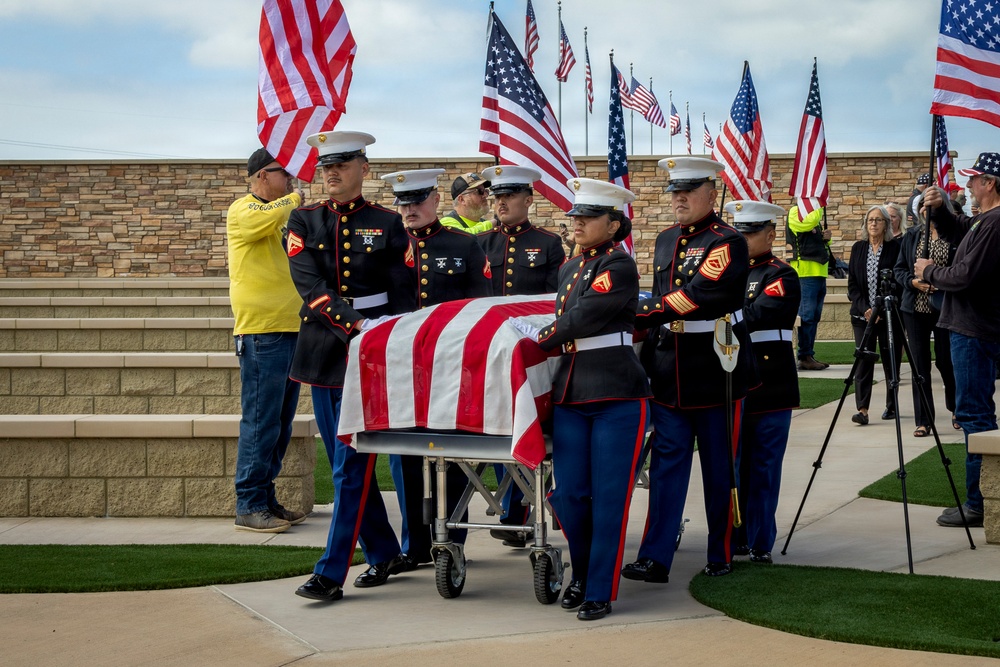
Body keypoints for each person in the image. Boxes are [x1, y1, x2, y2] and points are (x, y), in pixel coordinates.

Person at [514, 178, 650, 621]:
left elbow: (583, 317)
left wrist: (539, 339)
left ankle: (598, 588)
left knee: (609, 496)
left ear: (613, 225)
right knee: (569, 494)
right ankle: (581, 574)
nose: (577, 223)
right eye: (575, 216)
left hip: (615, 392)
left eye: (588, 217)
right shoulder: (570, 268)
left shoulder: (619, 266)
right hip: (572, 391)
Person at [292, 130, 416, 603]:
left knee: (349, 466)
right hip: (325, 352)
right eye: (326, 166)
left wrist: (386, 339)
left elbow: (404, 293)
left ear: (364, 167)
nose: (332, 173)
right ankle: (382, 552)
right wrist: (356, 324)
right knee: (347, 465)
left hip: (374, 353)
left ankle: (330, 572)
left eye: (342, 164)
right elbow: (310, 286)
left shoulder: (388, 223)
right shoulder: (302, 221)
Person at [621, 157, 754, 581]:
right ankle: (655, 557)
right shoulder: (664, 239)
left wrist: (643, 312)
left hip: (715, 367)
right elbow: (665, 295)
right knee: (665, 469)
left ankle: (723, 551)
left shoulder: (727, 241)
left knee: (719, 469)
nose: (678, 197)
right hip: (669, 367)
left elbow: (697, 295)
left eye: (688, 190)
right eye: (674, 190)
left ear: (711, 194)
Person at [380, 167, 494, 568]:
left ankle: (453, 541)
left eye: (416, 202)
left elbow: (481, 308)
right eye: (403, 203)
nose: (409, 210)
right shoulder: (389, 248)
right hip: (402, 368)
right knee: (405, 456)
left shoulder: (464, 245)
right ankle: (414, 547)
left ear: (435, 201)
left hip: (449, 368)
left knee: (453, 456)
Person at [476, 164, 565, 546]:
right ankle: (515, 507)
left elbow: (553, 302)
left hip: (531, 349)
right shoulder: (481, 244)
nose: (501, 203)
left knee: (531, 425)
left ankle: (521, 508)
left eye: (509, 196)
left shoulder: (547, 244)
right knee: (497, 425)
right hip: (492, 349)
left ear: (528, 200)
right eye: (496, 197)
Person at [915, 151, 1000, 529]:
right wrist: (943, 210)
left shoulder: (995, 223)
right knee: (976, 414)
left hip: (974, 330)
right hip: (974, 328)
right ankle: (980, 498)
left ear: (990, 183)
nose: (968, 185)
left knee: (975, 417)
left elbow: (964, 275)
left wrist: (930, 270)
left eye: (974, 179)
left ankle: (978, 502)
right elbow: (962, 228)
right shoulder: (986, 221)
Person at [228, 147, 306, 533]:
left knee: (280, 423)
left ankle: (265, 497)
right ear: (262, 176)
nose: (290, 180)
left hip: (290, 328)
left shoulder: (279, 215)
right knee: (260, 421)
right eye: (284, 173)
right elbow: (268, 216)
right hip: (261, 332)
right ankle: (249, 503)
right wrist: (295, 199)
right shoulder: (244, 209)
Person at [725, 200, 800, 565]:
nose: (743, 238)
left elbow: (756, 315)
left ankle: (759, 539)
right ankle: (735, 533)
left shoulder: (781, 275)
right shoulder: (728, 274)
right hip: (733, 381)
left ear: (770, 234)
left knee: (764, 466)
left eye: (751, 232)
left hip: (770, 385)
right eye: (739, 231)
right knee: (734, 465)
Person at [893, 197, 961, 438]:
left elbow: (960, 270)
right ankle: (924, 420)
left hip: (946, 308)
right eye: (923, 206)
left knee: (947, 361)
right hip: (915, 309)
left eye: (931, 206)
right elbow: (899, 270)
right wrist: (913, 283)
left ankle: (956, 410)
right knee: (919, 365)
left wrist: (939, 279)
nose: (926, 211)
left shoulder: (954, 235)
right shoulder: (912, 236)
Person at [846, 205, 902, 426]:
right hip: (863, 316)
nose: (874, 224)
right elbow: (852, 286)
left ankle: (891, 406)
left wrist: (880, 309)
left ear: (886, 224)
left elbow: (898, 282)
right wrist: (866, 309)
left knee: (891, 361)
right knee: (864, 361)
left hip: (889, 315)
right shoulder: (858, 248)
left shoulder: (895, 248)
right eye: (870, 220)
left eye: (878, 220)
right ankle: (862, 409)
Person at [786, 204, 831, 371]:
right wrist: (819, 206)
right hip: (804, 272)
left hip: (819, 271)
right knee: (807, 315)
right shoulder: (795, 212)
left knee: (815, 315)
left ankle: (808, 354)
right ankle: (804, 356)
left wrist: (827, 237)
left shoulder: (812, 214)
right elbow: (808, 223)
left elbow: (816, 238)